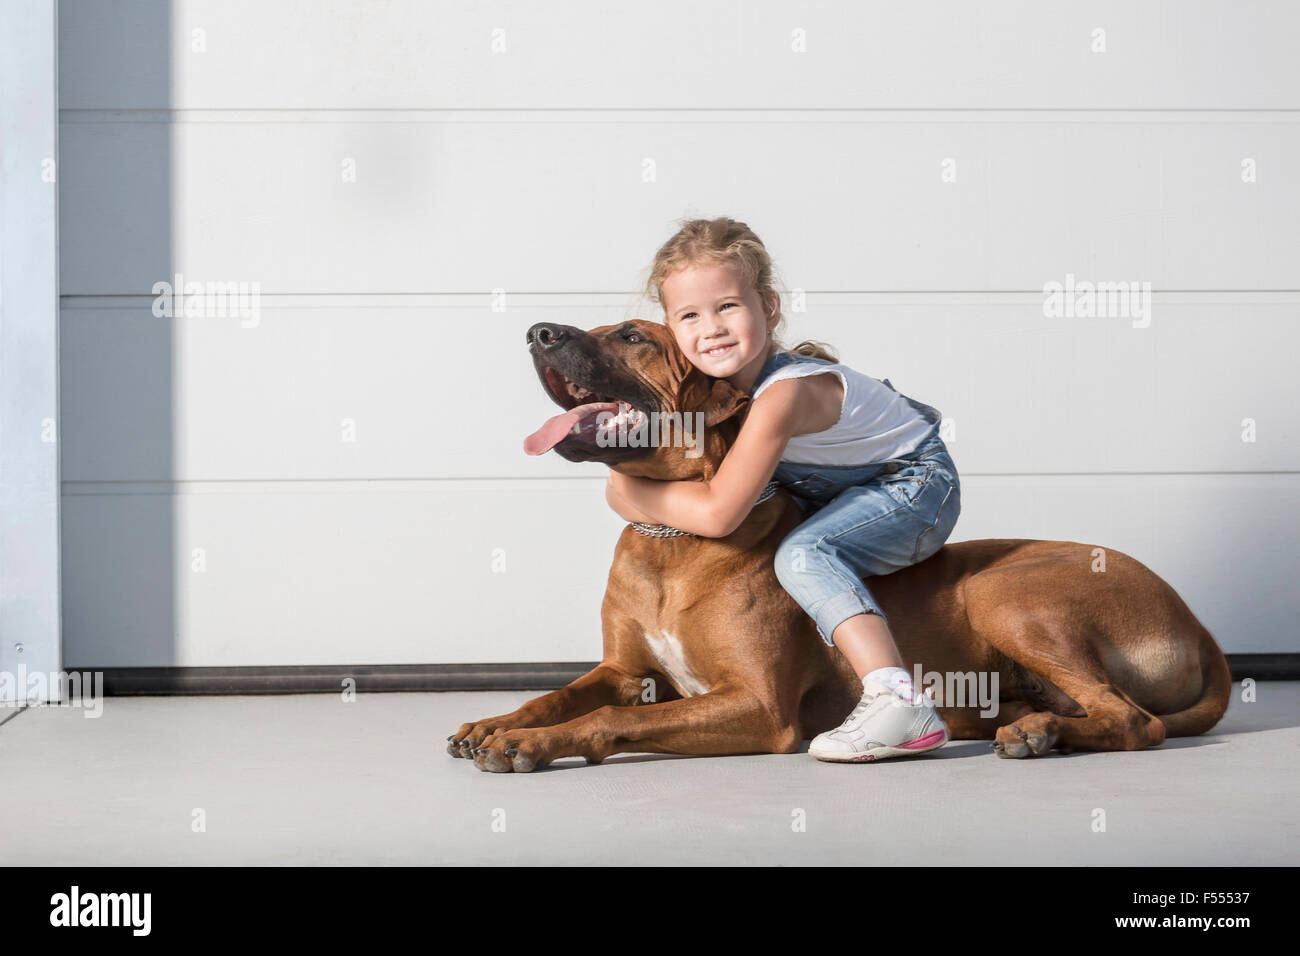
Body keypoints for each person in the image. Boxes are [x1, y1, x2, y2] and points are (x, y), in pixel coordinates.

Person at [606, 217, 961, 762]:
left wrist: (630, 495)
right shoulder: (721, 393)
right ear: (671, 328)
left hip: (913, 485)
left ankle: (898, 699)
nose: (713, 328)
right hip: (847, 490)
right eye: (690, 315)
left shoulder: (783, 394)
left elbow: (720, 513)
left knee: (803, 552)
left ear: (768, 308)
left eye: (728, 306)